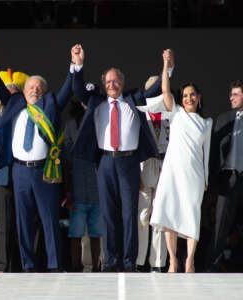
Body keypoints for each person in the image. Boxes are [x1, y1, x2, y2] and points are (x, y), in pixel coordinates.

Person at [71, 45, 172, 272]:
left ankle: (129, 262)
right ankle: (111, 261)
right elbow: (77, 90)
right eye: (107, 82)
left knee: (129, 214)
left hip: (128, 162)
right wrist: (78, 64)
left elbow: (156, 89)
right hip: (105, 161)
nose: (111, 85)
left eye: (115, 81)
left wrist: (167, 67)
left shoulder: (134, 98)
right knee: (108, 214)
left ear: (122, 83)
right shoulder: (97, 101)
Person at [0, 44, 75, 272]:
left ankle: (54, 265)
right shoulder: (15, 103)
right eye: (30, 87)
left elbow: (67, 90)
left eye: (38, 88)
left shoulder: (50, 105)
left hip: (43, 171)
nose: (34, 90)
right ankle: (28, 265)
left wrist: (75, 66)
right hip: (20, 171)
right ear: (23, 92)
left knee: (49, 219)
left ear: (43, 93)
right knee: (23, 220)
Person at [150, 50, 213, 273]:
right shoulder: (176, 113)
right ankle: (173, 260)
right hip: (172, 172)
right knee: (169, 211)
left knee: (191, 212)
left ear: (199, 98)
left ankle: (189, 260)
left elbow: (206, 152)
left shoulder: (207, 123)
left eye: (192, 95)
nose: (188, 98)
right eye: (185, 95)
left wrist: (205, 178)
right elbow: (165, 89)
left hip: (194, 175)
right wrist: (167, 64)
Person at [0, 69, 28, 272]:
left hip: (21, 174)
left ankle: (21, 264)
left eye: (14, 94)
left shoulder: (23, 116)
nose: (9, 97)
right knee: (2, 224)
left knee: (23, 223)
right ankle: (2, 264)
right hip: (1, 175)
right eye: (6, 93)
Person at [63, 89, 102, 273]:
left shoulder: (102, 122)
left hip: (96, 188)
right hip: (77, 187)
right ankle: (75, 268)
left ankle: (96, 267)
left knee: (96, 233)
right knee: (75, 233)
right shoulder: (71, 125)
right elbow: (67, 162)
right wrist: (68, 193)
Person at [207, 80, 243, 271]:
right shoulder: (224, 118)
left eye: (235, 94)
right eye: (231, 94)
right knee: (220, 225)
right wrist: (211, 182)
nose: (231, 97)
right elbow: (214, 154)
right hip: (228, 177)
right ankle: (211, 265)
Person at [135, 76, 170, 272]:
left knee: (160, 214)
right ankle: (140, 261)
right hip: (145, 163)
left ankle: (158, 262)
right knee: (142, 214)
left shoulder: (171, 111)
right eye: (152, 90)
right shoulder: (141, 113)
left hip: (165, 163)